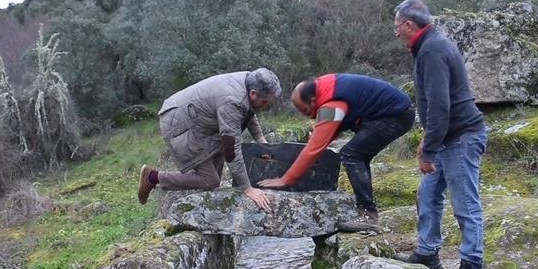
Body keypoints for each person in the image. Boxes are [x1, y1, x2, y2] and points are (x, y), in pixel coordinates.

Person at [393, 0, 488, 269]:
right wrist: (428, 139)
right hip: (447, 135)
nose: (395, 32)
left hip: (460, 137)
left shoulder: (432, 50)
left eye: (397, 26)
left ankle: (472, 267)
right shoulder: (427, 47)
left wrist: (430, 150)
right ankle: (428, 252)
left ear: (410, 25)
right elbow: (436, 105)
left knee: (465, 204)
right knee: (428, 192)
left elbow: (440, 105)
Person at [258, 73, 415, 231]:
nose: (303, 114)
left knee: (351, 154)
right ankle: (366, 209)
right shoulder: (325, 88)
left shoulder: (332, 103)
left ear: (313, 101)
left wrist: (286, 179)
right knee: (358, 154)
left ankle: (368, 214)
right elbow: (328, 136)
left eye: (303, 109)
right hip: (391, 114)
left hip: (395, 116)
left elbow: (314, 148)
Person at [137, 68, 281, 211]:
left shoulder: (248, 82)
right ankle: (152, 177)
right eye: (264, 101)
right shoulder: (233, 101)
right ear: (253, 93)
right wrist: (248, 189)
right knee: (210, 181)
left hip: (200, 123)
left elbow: (249, 111)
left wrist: (261, 140)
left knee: (214, 179)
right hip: (181, 125)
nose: (265, 105)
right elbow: (232, 150)